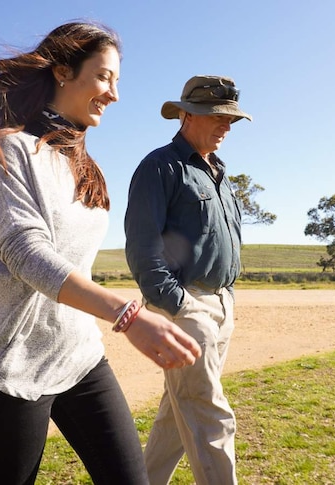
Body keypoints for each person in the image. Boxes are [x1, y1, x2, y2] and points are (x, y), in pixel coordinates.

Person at [0, 22, 202, 485]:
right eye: (104, 77)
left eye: (117, 82)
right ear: (62, 71)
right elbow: (26, 251)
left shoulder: (80, 164)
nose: (113, 94)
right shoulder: (9, 151)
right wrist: (128, 315)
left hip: (79, 354)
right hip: (9, 369)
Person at [124, 75, 252, 485]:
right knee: (209, 414)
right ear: (186, 115)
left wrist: (225, 297)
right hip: (184, 307)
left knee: (177, 411)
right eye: (217, 117)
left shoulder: (217, 170)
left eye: (231, 119)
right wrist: (178, 303)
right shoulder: (159, 166)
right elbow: (143, 249)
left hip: (220, 304)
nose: (226, 127)